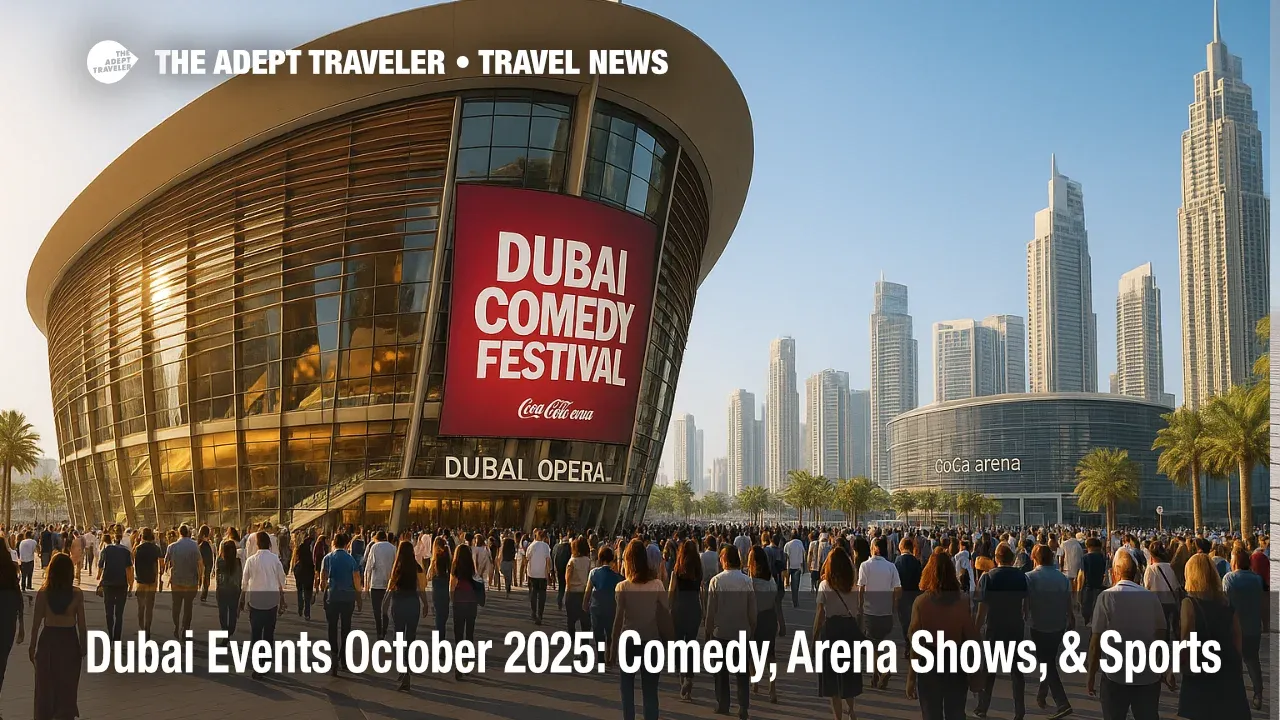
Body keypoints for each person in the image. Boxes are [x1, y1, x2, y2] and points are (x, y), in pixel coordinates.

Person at [1085, 548, 1168, 720]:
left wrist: (1091, 675)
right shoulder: (1151, 597)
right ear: (1136, 574)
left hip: (1115, 675)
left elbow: (1095, 641)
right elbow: (1161, 635)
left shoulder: (1106, 597)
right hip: (1147, 674)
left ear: (1115, 572)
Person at [1175, 553, 1248, 718]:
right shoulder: (1227, 603)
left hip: (1202, 671)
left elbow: (1186, 640)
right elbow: (1237, 641)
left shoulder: (1189, 603)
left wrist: (1175, 667)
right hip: (1228, 671)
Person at [906, 552, 976, 720]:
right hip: (956, 660)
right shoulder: (963, 601)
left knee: (931, 714)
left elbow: (916, 644)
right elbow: (971, 638)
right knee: (956, 713)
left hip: (929, 662)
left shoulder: (921, 603)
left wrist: (911, 678)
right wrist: (974, 672)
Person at [611, 539, 667, 720]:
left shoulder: (622, 587)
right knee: (650, 691)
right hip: (652, 641)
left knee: (627, 689)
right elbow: (664, 615)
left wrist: (612, 646)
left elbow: (618, 620)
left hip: (629, 642)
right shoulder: (657, 585)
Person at [974, 542, 1027, 719]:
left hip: (994, 626)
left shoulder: (988, 577)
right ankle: (1019, 710)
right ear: (1012, 559)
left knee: (989, 670)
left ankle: (982, 707)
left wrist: (976, 628)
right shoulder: (1021, 576)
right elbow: (1025, 603)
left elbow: (982, 608)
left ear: (996, 559)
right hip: (1015, 626)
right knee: (1017, 671)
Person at [31, 554, 85, 720]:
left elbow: (36, 623)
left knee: (45, 685)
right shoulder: (77, 594)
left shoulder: (43, 593)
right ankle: (65, 713)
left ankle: (45, 715)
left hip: (48, 640)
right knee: (67, 685)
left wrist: (32, 646)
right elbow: (82, 625)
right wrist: (83, 646)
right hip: (69, 641)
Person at [1025, 544, 1074, 719]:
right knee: (1049, 660)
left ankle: (1062, 702)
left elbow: (1026, 602)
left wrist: (1024, 615)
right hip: (1058, 625)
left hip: (1039, 625)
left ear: (1035, 558)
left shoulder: (1029, 577)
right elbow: (1068, 600)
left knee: (1046, 662)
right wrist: (1071, 617)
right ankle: (1042, 694)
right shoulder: (1062, 578)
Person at [814, 546, 862, 720]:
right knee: (849, 674)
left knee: (832, 678)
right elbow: (858, 610)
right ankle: (851, 710)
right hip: (849, 628)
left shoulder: (825, 585)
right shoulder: (853, 586)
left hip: (831, 631)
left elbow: (820, 615)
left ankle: (838, 717)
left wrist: (814, 639)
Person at [1223, 546, 1266, 710]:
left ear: (1234, 562)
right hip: (1253, 626)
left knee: (1234, 662)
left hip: (1235, 628)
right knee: (1253, 661)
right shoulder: (1257, 579)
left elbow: (1226, 603)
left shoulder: (1229, 578)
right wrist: (1265, 622)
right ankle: (1258, 694)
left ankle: (1235, 696)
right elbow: (1263, 602)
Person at [382, 540, 428, 691]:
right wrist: (425, 603)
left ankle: (403, 668)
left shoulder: (397, 567)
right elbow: (421, 588)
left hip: (399, 604)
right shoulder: (417, 568)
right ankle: (407, 667)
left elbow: (390, 587)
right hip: (413, 603)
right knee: (410, 638)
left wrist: (384, 604)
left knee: (398, 638)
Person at [239, 530, 286, 678]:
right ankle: (265, 661)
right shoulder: (275, 559)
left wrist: (242, 599)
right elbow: (281, 580)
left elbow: (244, 582)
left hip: (255, 602)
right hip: (271, 602)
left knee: (256, 633)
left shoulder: (251, 560)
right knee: (268, 634)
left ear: (257, 544)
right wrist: (282, 599)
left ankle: (258, 664)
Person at [857, 536, 901, 690]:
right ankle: (876, 675)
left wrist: (859, 606)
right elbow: (897, 589)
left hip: (870, 611)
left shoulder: (865, 565)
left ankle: (884, 669)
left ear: (875, 548)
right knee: (877, 643)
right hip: (886, 611)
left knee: (873, 644)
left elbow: (861, 588)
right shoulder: (891, 567)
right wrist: (894, 606)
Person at [319, 532, 363, 677]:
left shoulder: (328, 558)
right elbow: (356, 579)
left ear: (334, 543)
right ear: (346, 544)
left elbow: (323, 578)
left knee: (332, 627)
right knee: (346, 628)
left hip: (332, 596)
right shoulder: (351, 559)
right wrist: (359, 598)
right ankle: (344, 658)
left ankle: (333, 656)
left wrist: (323, 587)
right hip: (348, 597)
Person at [668, 539, 703, 702]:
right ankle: (689, 678)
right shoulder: (698, 571)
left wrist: (668, 609)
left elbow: (671, 592)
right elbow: (701, 592)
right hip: (694, 607)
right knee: (691, 644)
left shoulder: (677, 571)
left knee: (677, 644)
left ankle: (682, 677)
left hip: (679, 608)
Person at [747, 545, 778, 704]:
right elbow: (775, 601)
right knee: (770, 655)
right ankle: (772, 688)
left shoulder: (750, 581)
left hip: (755, 618)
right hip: (769, 617)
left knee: (752, 652)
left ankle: (755, 681)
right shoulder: (770, 579)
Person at [164, 524, 203, 638]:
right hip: (191, 582)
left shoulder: (172, 546)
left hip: (177, 581)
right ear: (188, 533)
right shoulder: (195, 545)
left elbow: (165, 562)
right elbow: (200, 563)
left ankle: (176, 626)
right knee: (188, 607)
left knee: (176, 606)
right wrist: (200, 578)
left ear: (179, 533)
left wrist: (168, 572)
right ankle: (185, 630)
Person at [450, 543, 481, 681]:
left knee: (458, 634)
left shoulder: (455, 567)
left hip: (459, 602)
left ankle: (458, 665)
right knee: (469, 633)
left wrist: (452, 599)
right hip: (471, 602)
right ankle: (467, 661)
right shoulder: (471, 567)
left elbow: (452, 585)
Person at [96, 529, 132, 642]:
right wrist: (131, 585)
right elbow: (129, 569)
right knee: (119, 614)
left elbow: (100, 566)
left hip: (108, 584)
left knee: (109, 612)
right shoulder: (126, 551)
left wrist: (99, 578)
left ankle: (110, 634)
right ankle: (117, 638)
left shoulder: (106, 550)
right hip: (122, 584)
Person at [584, 545, 623, 648]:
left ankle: (601, 654)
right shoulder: (618, 577)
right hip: (611, 609)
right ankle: (609, 653)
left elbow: (588, 591)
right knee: (610, 634)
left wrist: (585, 604)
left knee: (599, 635)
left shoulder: (594, 573)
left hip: (597, 609)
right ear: (612, 560)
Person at [0, 539, 23, 703]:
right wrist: (21, 623)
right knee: (2, 660)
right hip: (8, 614)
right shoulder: (11, 568)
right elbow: (18, 594)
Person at [892, 536, 922, 659]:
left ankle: (907, 644)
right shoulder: (916, 561)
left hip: (902, 595)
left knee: (904, 621)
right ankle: (913, 645)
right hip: (914, 594)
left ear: (902, 547)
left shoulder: (897, 561)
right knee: (914, 620)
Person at [364, 530, 396, 640]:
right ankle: (384, 629)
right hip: (389, 583)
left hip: (376, 583)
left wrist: (366, 586)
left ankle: (379, 631)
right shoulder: (393, 548)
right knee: (385, 609)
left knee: (376, 609)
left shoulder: (375, 547)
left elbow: (369, 567)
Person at [132, 527, 164, 636]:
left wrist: (136, 542)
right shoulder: (156, 548)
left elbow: (131, 560)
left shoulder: (137, 548)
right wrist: (160, 575)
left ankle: (141, 627)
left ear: (142, 536)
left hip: (140, 580)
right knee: (149, 607)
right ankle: (147, 628)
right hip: (152, 580)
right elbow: (161, 564)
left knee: (141, 606)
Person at [564, 536, 593, 633]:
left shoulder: (572, 561)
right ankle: (585, 640)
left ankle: (572, 637)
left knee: (571, 619)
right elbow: (590, 577)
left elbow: (568, 578)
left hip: (573, 592)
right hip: (584, 593)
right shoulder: (588, 561)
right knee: (585, 621)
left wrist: (567, 592)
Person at [1077, 536, 1107, 624]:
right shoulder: (1102, 557)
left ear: (1089, 547)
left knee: (1086, 609)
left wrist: (1079, 591)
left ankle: (1087, 622)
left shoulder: (1085, 558)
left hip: (1088, 587)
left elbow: (1082, 576)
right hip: (1099, 587)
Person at [426, 537, 452, 636]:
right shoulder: (447, 557)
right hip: (445, 589)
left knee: (439, 617)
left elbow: (428, 576)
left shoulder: (435, 559)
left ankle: (440, 639)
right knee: (443, 616)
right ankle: (441, 637)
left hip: (437, 590)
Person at [525, 530, 552, 625]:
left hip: (532, 573)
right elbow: (548, 561)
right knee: (542, 595)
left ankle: (533, 612)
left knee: (533, 594)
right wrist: (548, 573)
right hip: (542, 574)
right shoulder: (546, 546)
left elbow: (527, 558)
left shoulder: (531, 546)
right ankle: (540, 614)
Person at [292, 532, 316, 620]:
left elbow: (296, 558)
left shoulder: (300, 547)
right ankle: (307, 613)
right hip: (309, 571)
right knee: (307, 593)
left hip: (300, 570)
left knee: (299, 590)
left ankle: (300, 606)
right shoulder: (313, 546)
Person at [784, 531, 806, 607]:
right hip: (798, 567)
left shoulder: (787, 544)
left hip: (789, 566)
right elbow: (804, 554)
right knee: (795, 587)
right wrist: (803, 566)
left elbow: (785, 556)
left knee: (785, 584)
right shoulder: (800, 543)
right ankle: (795, 602)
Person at [197, 525, 215, 603]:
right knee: (206, 578)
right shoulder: (205, 544)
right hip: (207, 563)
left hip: (205, 563)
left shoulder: (201, 543)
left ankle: (202, 593)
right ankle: (203, 595)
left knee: (203, 578)